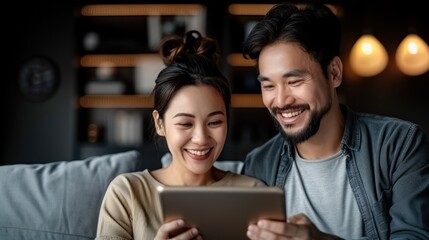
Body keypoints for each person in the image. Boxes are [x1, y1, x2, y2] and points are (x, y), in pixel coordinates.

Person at [241, 3, 429, 240]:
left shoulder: (399, 145)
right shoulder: (258, 165)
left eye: (294, 81)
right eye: (268, 85)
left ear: (334, 73)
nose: (280, 100)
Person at [95, 30, 265, 240]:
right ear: (160, 124)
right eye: (185, 123)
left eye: (214, 122)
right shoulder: (128, 193)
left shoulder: (252, 193)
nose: (201, 138)